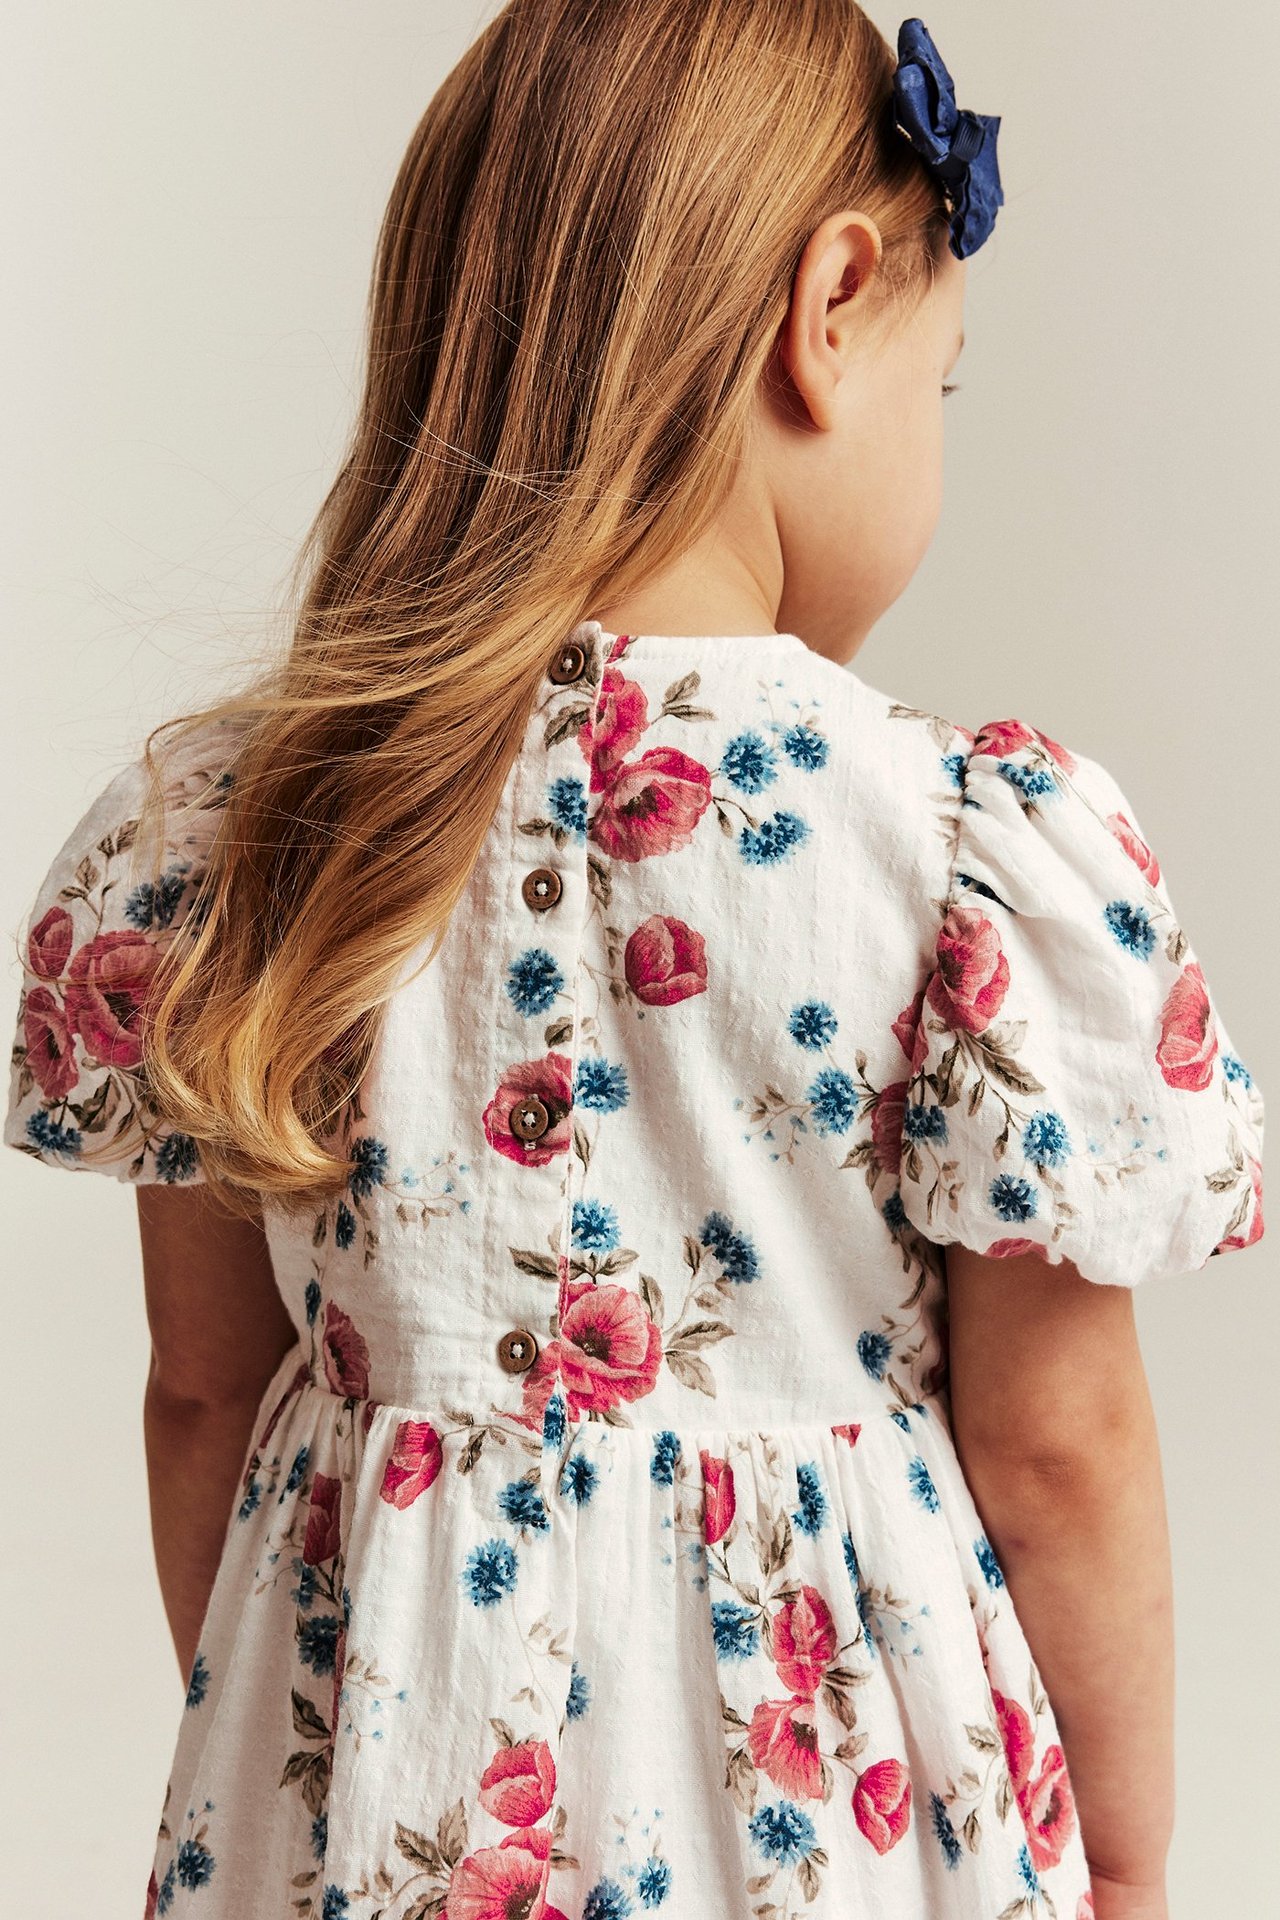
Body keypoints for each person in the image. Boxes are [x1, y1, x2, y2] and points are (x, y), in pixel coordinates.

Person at [4, 6, 1265, 1917]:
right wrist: (1136, 1861)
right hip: (841, 1816)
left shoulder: (241, 834)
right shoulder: (951, 850)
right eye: (948, 385)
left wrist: (300, 1750)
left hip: (386, 1801)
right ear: (829, 308)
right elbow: (1059, 1441)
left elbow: (204, 1394)